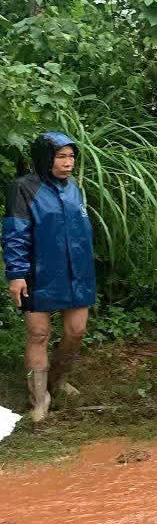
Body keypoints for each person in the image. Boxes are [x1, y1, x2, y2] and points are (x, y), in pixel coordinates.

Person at [4, 131, 97, 422]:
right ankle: (39, 398)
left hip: (77, 272)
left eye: (71, 156)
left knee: (76, 331)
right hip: (38, 273)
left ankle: (56, 380)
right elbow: (15, 233)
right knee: (38, 334)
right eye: (61, 156)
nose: (68, 163)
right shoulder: (23, 188)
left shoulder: (74, 188)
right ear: (45, 159)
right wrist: (17, 274)